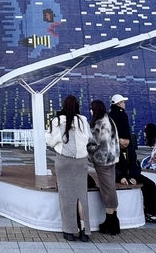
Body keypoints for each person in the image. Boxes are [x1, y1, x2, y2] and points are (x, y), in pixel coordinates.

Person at [46, 95, 90, 242]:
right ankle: (84, 231)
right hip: (81, 161)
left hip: (64, 161)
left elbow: (51, 141)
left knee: (66, 197)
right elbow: (88, 139)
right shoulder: (83, 120)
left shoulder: (57, 121)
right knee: (81, 197)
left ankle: (69, 231)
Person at [87, 100, 120, 234]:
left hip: (102, 160)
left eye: (91, 109)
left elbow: (94, 143)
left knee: (107, 189)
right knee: (110, 186)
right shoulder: (109, 120)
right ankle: (113, 218)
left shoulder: (99, 123)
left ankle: (111, 220)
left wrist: (86, 150)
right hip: (112, 158)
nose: (90, 111)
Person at [108, 94, 136, 183]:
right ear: (119, 104)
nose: (124, 104)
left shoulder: (110, 115)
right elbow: (123, 129)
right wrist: (123, 139)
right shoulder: (121, 114)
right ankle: (127, 177)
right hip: (119, 143)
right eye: (123, 102)